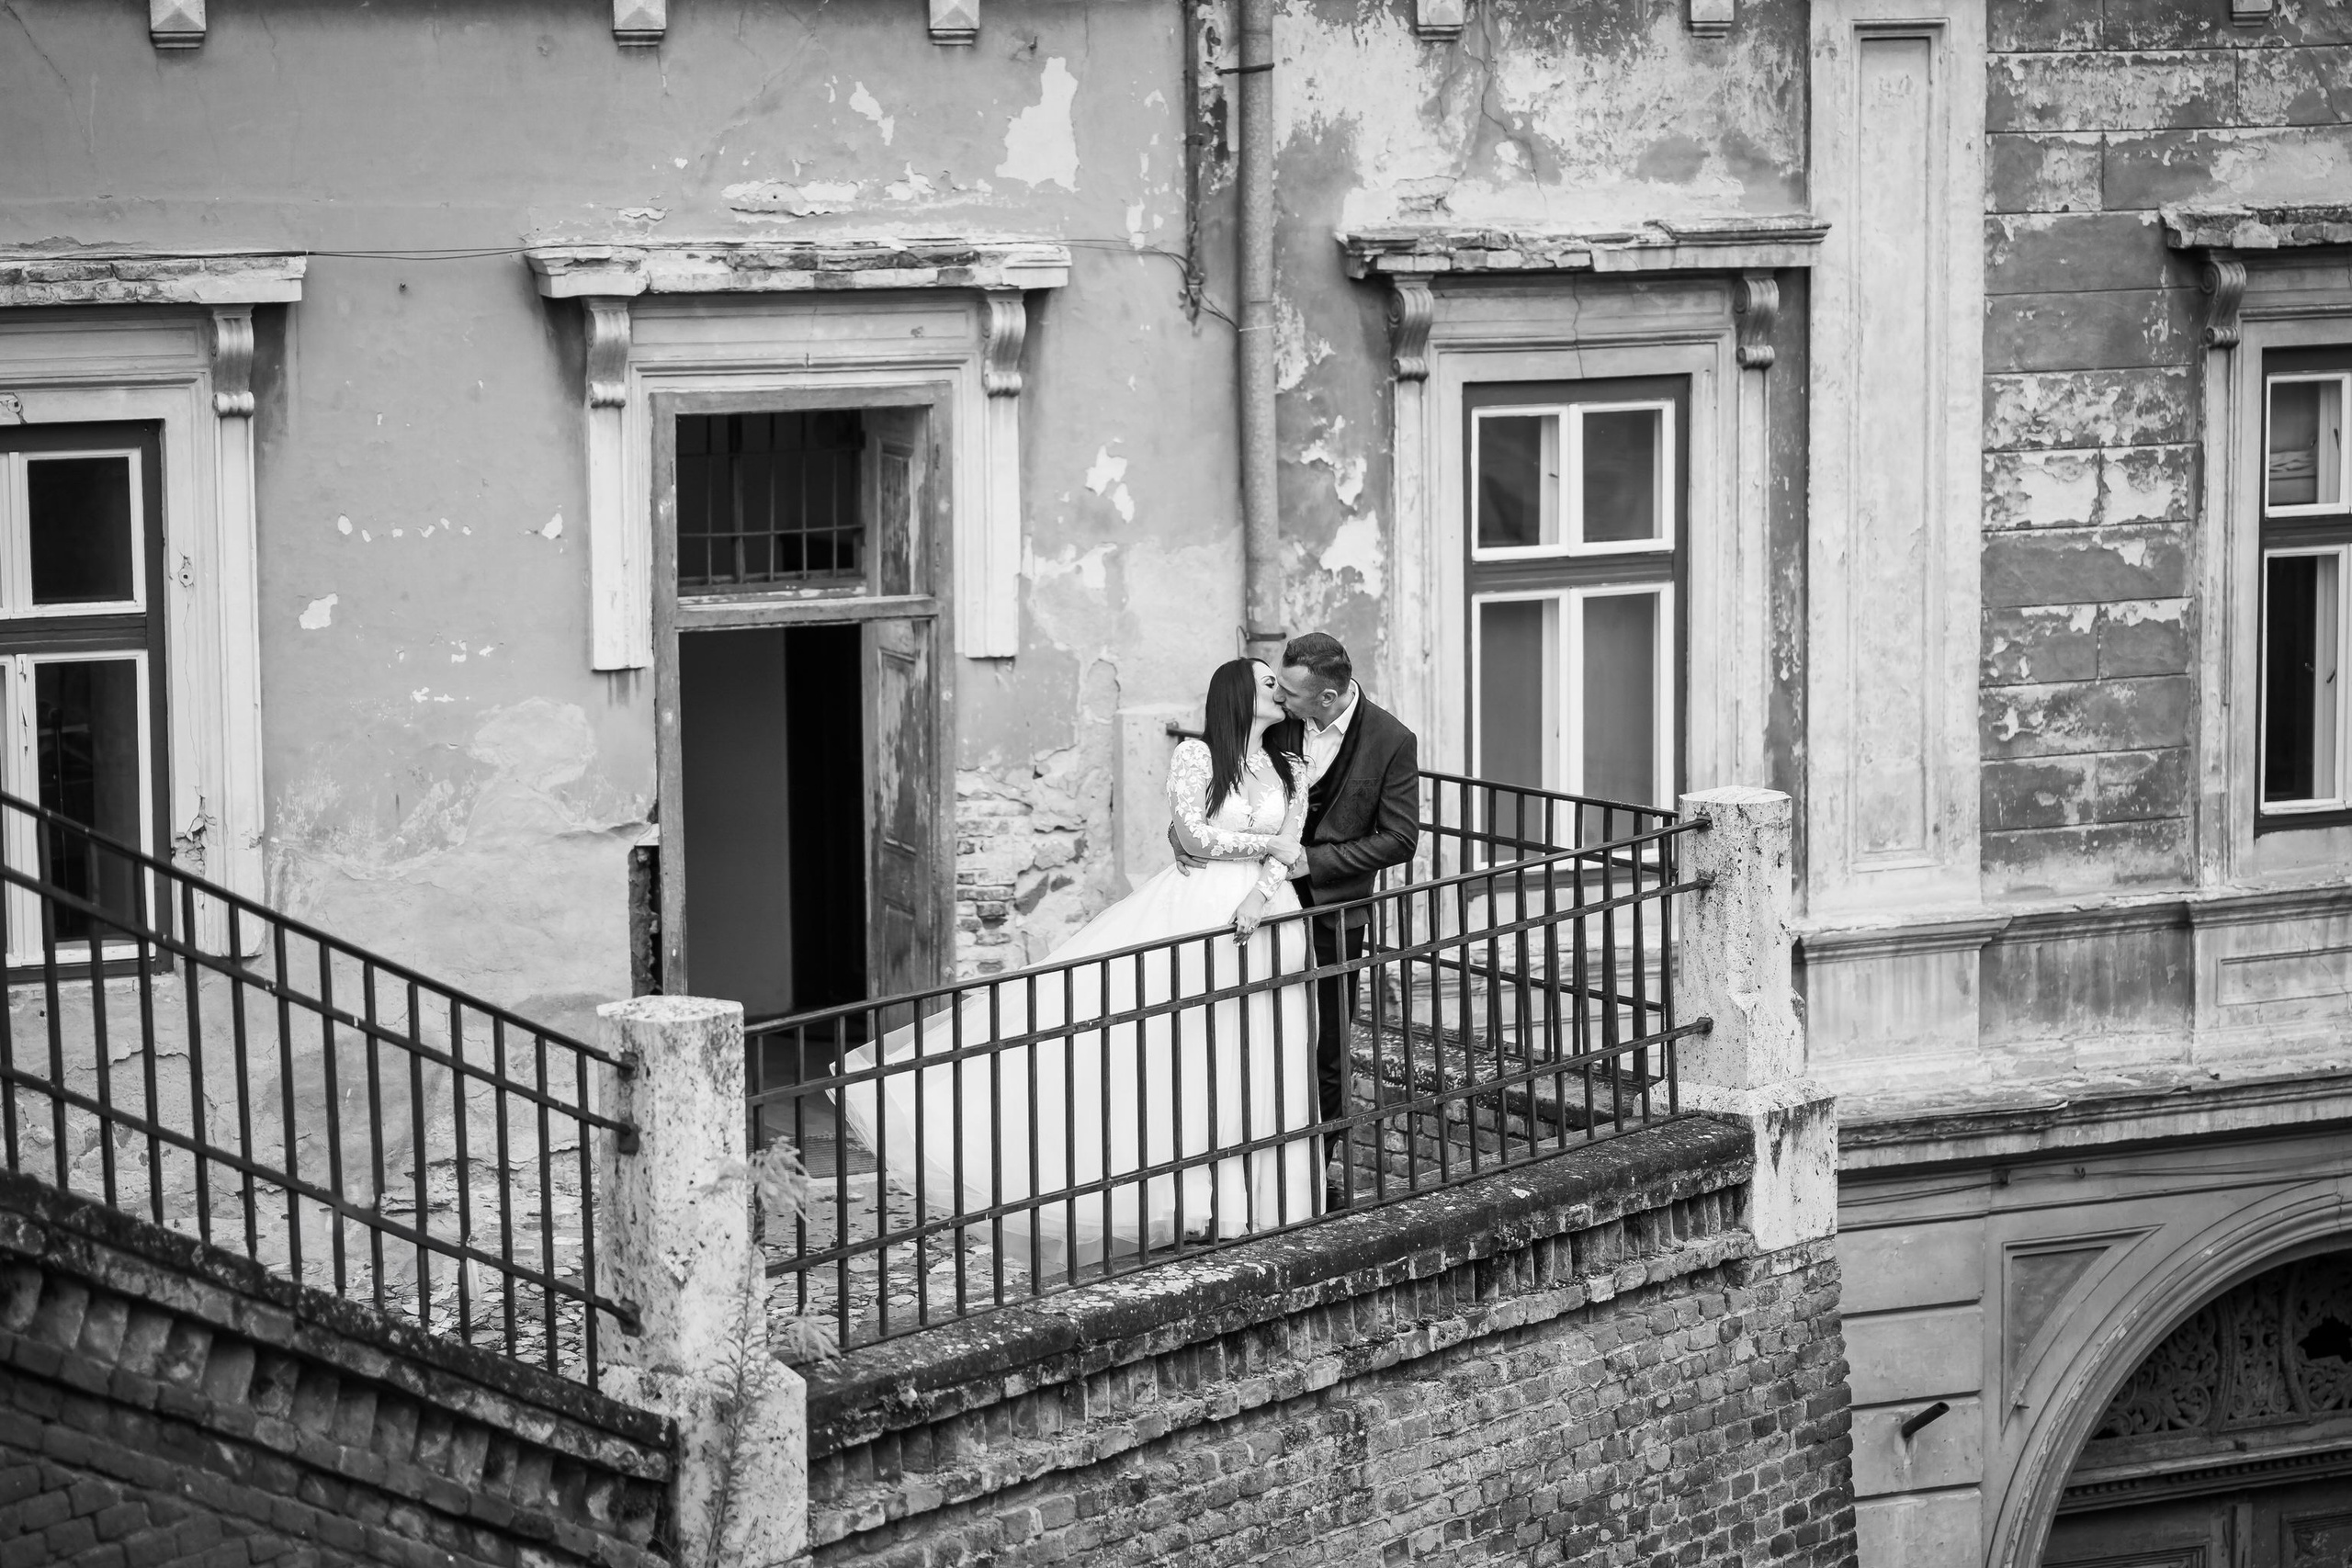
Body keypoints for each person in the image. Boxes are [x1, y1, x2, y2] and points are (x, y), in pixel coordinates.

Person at [835, 659, 1321, 1272]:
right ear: (1239, 693)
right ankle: (1197, 1200)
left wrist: (1259, 891)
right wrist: (1263, 846)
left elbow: (1293, 841)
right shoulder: (1197, 758)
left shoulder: (1292, 765)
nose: (1280, 689)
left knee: (1259, 1052)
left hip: (1271, 914)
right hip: (1198, 911)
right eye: (1269, 681)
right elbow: (1193, 836)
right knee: (1197, 1048)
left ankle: (1264, 1200)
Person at [1174, 633, 1419, 1212]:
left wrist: (1313, 860)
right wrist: (1186, 836)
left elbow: (1400, 838)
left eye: (1288, 691)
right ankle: (1223, 1177)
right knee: (1242, 1035)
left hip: (1333, 910)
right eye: (1275, 686)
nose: (1278, 697)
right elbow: (1227, 777)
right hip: (1254, 900)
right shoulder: (1278, 720)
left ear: (1326, 697)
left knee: (1325, 1048)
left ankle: (1306, 1179)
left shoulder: (1390, 741)